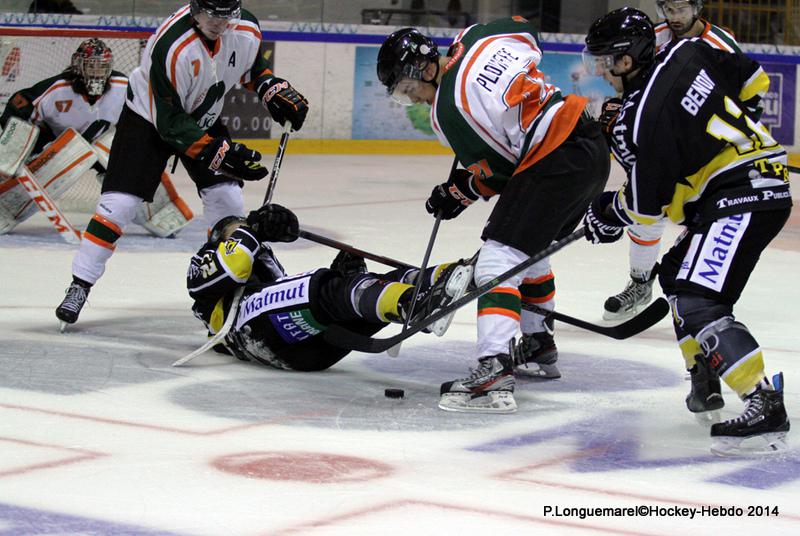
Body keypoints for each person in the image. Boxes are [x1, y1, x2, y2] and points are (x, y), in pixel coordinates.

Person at [582, 7, 790, 455]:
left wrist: (605, 214)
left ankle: (763, 401)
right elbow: (752, 80)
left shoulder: (640, 117)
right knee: (676, 274)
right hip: (753, 179)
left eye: (606, 60)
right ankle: (707, 373)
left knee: (698, 297)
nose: (602, 70)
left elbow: (645, 205)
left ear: (627, 58)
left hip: (740, 194)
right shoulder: (690, 49)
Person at [376, 19, 610, 413]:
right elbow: (527, 30)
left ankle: (493, 371)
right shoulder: (475, 37)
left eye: (408, 88)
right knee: (531, 251)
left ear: (426, 70)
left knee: (499, 259)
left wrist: (459, 191)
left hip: (554, 156)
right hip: (589, 147)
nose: (413, 99)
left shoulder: (447, 112)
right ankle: (537, 345)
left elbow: (504, 172)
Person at [55, 0, 309, 329]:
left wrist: (271, 88)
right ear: (194, 9)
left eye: (225, 15)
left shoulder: (244, 28)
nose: (218, 22)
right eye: (210, 14)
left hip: (202, 116)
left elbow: (249, 68)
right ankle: (80, 284)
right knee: (118, 206)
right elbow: (171, 123)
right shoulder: (172, 47)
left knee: (227, 199)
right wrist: (222, 153)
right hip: (149, 119)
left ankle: (227, 283)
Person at [187, 204, 473, 371]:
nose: (243, 229)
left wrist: (342, 276)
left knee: (369, 284)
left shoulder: (257, 257)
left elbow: (285, 300)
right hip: (249, 332)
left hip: (306, 349)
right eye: (235, 229)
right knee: (324, 288)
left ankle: (453, 277)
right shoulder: (203, 261)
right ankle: (414, 305)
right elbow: (233, 268)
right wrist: (250, 230)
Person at [600, 0, 747, 321]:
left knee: (702, 213)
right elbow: (637, 83)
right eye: (668, 9)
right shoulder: (654, 37)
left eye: (681, 9)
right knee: (645, 203)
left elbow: (746, 97)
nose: (674, 17)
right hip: (666, 140)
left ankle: (698, 287)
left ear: (698, 7)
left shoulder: (721, 44)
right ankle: (640, 281)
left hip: (708, 149)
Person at [0, 38, 193, 238]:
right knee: (50, 168)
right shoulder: (56, 89)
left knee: (132, 166)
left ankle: (160, 213)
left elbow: (152, 111)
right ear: (78, 65)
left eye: (102, 67)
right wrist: (15, 146)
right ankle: (5, 209)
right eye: (91, 66)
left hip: (105, 144)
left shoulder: (124, 86)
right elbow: (18, 105)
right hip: (60, 145)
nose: (97, 73)